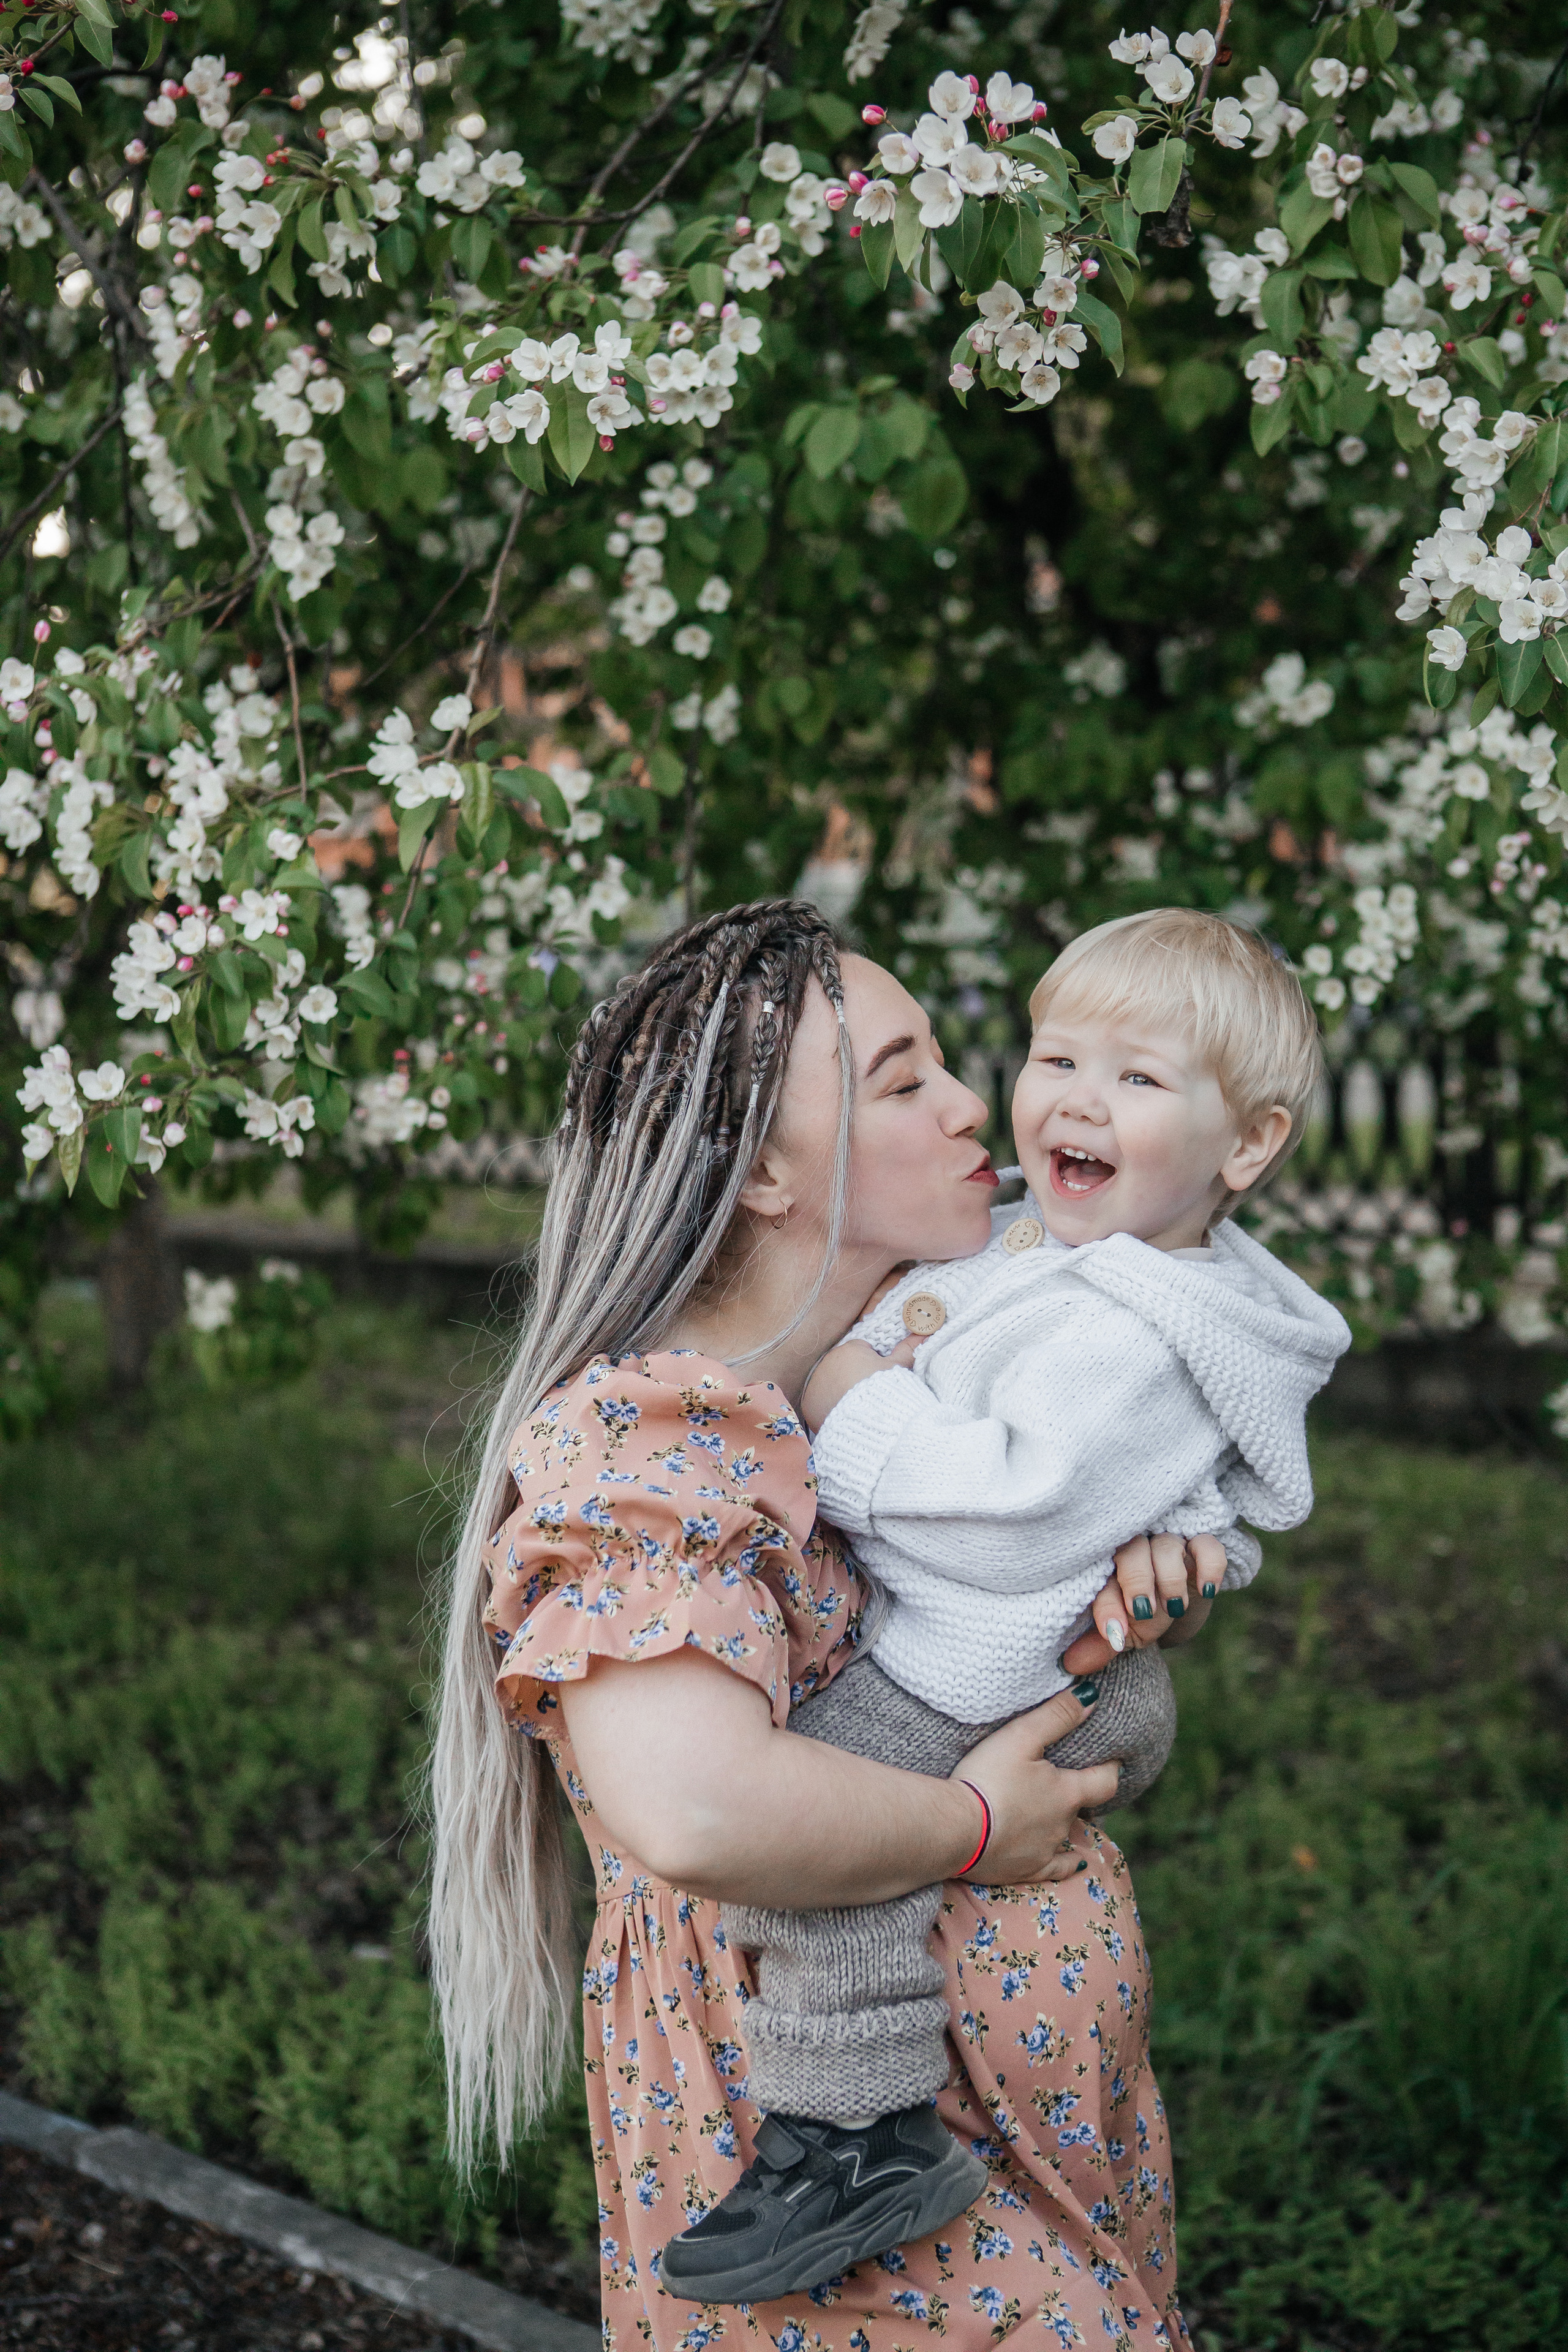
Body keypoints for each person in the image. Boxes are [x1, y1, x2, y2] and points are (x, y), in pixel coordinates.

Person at [428, 899, 1223, 2352]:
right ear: (768, 1180)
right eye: (902, 1079)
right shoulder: (653, 1441)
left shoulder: (916, 1381)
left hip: (1036, 2143)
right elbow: (698, 1806)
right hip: (848, 2194)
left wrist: (1148, 1546)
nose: (974, 1101)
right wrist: (975, 1832)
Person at [666, 910, 1351, 2305]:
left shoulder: (1129, 1324)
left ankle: (857, 2137)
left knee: (823, 1826)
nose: (1070, 1100)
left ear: (1245, 1148)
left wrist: (840, 1400)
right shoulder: (1064, 1251)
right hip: (1031, 1652)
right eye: (1055, 1056)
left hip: (991, 1660)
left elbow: (1006, 1510)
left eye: (1139, 1079)